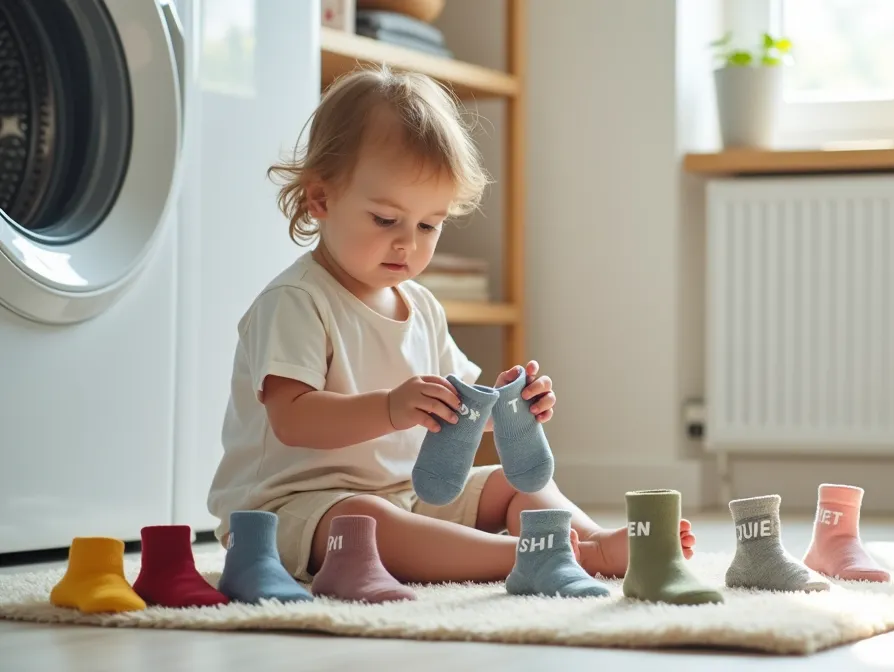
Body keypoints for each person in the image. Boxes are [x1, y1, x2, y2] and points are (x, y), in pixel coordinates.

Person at [206, 66, 695, 585]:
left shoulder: (422, 306)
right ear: (321, 199)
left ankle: (591, 540)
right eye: (385, 219)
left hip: (408, 492)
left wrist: (509, 409)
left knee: (509, 482)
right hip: (295, 511)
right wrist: (391, 409)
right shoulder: (296, 301)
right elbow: (293, 419)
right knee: (368, 521)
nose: (407, 244)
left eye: (427, 225)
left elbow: (459, 410)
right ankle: (532, 557)